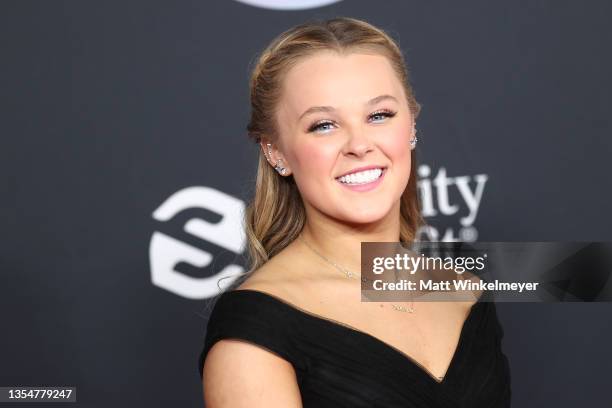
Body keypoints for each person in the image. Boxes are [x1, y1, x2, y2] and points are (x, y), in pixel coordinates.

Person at [198, 16, 511, 407]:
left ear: (411, 123)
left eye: (379, 115)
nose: (359, 144)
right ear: (275, 151)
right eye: (324, 125)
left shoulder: (466, 290)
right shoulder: (256, 329)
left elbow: (582, 275)